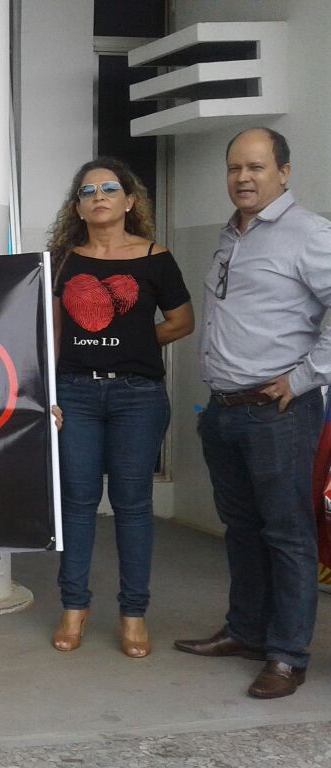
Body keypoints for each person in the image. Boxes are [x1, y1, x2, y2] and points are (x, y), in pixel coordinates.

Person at [174, 127, 331, 699]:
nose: (243, 177)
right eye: (235, 167)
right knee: (241, 530)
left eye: (257, 167)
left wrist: (304, 376)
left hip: (278, 412)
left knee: (287, 535)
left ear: (284, 172)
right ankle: (245, 631)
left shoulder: (310, 234)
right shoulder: (231, 234)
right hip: (224, 410)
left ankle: (287, 655)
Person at [45, 157, 193, 658]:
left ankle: (134, 614)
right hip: (76, 394)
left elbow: (182, 321)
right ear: (78, 207)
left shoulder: (155, 257)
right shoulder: (64, 261)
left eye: (110, 189)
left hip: (138, 396)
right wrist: (49, 393)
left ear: (130, 201)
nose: (99, 197)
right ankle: (74, 607)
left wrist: (136, 344)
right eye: (88, 192)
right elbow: (54, 333)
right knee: (77, 502)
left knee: (132, 505)